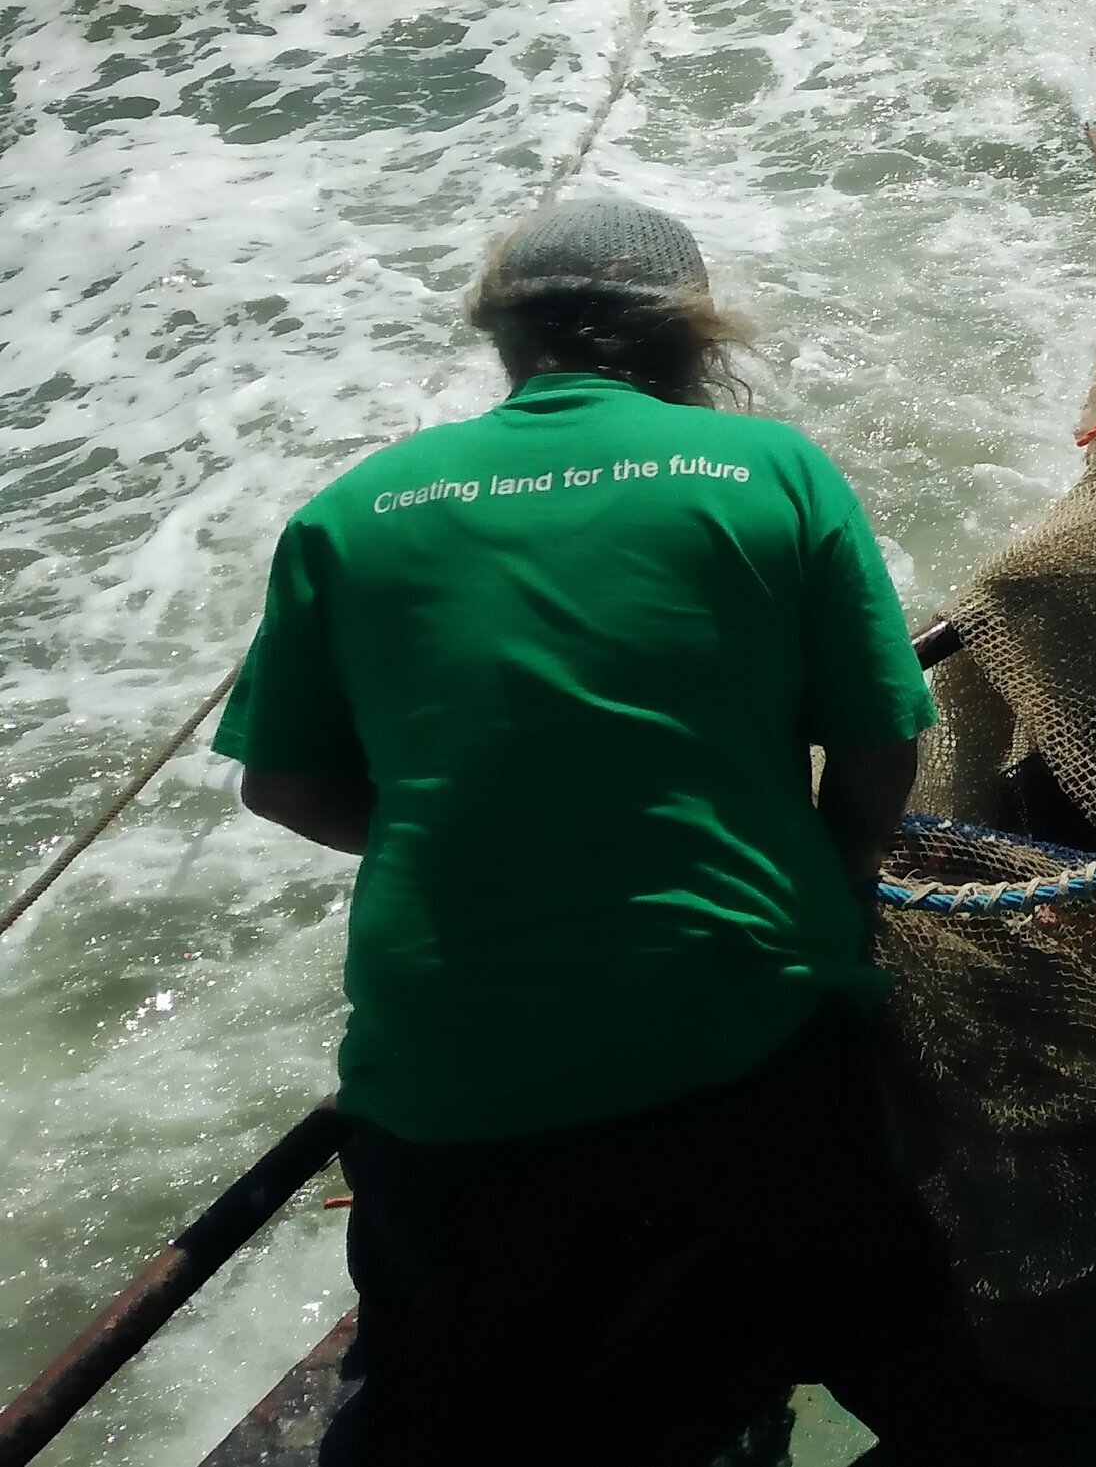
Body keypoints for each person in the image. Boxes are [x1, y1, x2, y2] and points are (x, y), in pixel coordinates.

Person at [217, 199, 985, 1464]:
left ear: (504, 341)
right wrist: (840, 872)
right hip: (739, 1027)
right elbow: (876, 738)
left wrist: (484, 830)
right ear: (693, 340)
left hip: (452, 1081)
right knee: (887, 1325)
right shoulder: (767, 469)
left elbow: (283, 782)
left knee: (442, 1410)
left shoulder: (351, 510)